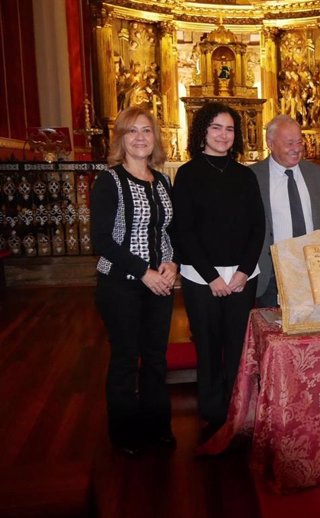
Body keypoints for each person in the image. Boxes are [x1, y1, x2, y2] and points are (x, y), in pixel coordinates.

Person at [172, 102, 265, 430]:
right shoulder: (187, 174)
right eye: (216, 128)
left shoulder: (245, 175)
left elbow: (258, 226)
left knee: (237, 345)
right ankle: (212, 414)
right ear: (202, 132)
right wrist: (212, 277)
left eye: (229, 129)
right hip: (201, 277)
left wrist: (242, 271)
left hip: (242, 276)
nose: (223, 135)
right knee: (209, 345)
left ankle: (237, 409)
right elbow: (183, 231)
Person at [92, 106, 176, 456]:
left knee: (156, 359)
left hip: (161, 284)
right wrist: (145, 272)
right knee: (127, 358)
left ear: (154, 137)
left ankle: (156, 425)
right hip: (122, 284)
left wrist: (173, 263)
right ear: (121, 139)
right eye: (132, 131)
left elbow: (166, 230)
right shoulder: (108, 181)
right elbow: (102, 240)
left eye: (146, 130)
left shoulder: (163, 180)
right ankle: (125, 432)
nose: (140, 137)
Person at [252, 114, 320, 307]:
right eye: (289, 142)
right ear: (270, 143)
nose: (296, 148)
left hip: (314, 272)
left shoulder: (317, 174)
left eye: (299, 141)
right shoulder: (253, 177)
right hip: (272, 274)